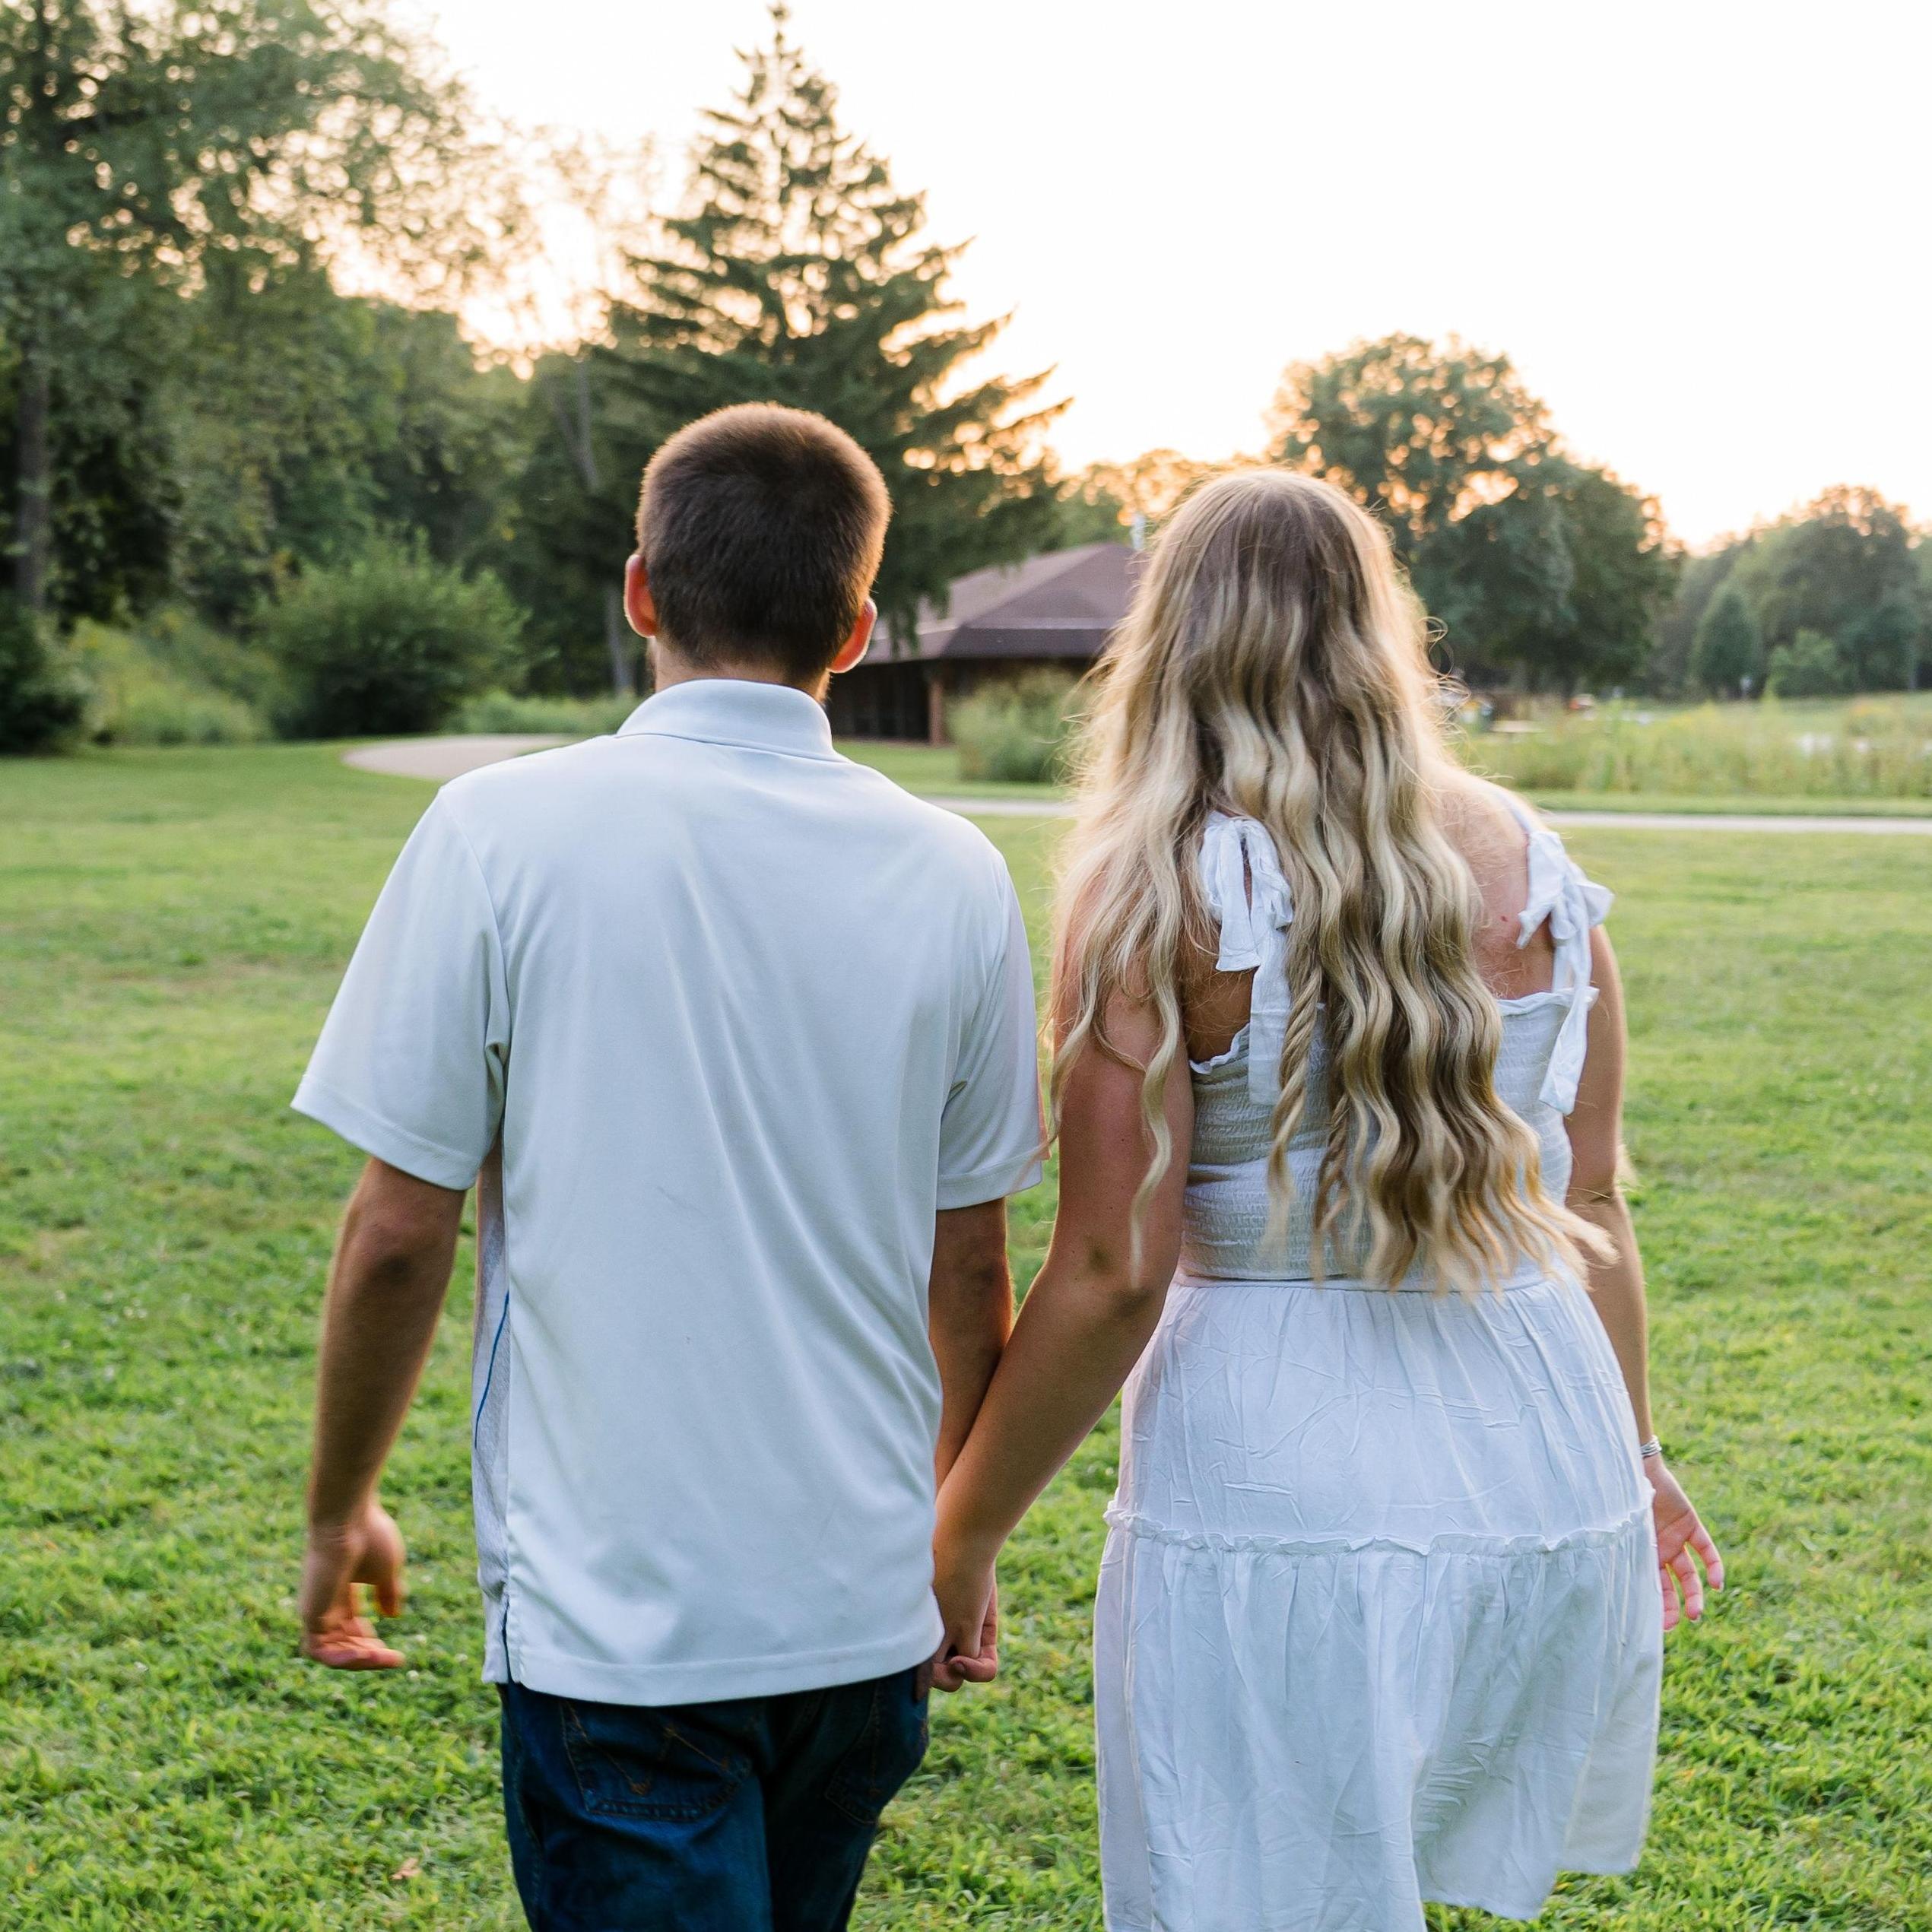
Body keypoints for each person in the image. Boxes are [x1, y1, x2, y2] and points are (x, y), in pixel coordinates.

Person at [930, 470, 1724, 1930]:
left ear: (1169, 639)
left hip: (1281, 1484)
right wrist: (1640, 1452)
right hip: (1547, 1472)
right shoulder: (1538, 876)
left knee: (1249, 1892)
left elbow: (1109, 1270)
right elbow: (1593, 1206)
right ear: (1377, 627)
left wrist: (962, 1530)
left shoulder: (1162, 889)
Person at [292, 403, 1041, 1930]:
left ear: (639, 588)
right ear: (854, 627)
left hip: (618, 1638)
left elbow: (393, 1233)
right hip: (857, 1619)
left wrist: (341, 1505)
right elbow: (969, 1272)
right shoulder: (956, 871)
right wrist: (958, 1537)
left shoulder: (496, 831)